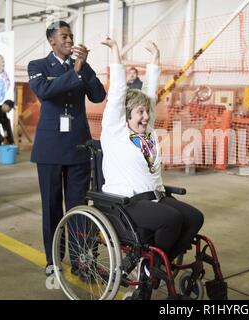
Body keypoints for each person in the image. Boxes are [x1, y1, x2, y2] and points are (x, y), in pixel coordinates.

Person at [100, 37, 203, 268]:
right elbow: (117, 93)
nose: (145, 116)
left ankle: (155, 264)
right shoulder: (115, 131)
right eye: (139, 112)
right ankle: (153, 267)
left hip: (156, 197)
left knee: (195, 218)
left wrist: (155, 61)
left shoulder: (147, 133)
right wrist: (116, 53)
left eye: (147, 112)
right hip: (128, 202)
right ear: (126, 115)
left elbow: (149, 96)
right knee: (172, 220)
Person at [27, 21, 106, 276]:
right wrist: (76, 70)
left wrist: (85, 68)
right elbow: (45, 91)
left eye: (71, 35)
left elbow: (97, 96)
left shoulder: (81, 66)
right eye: (64, 36)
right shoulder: (37, 66)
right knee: (51, 205)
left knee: (79, 206)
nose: (70, 40)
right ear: (52, 41)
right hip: (49, 149)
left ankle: (81, 259)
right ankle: (53, 259)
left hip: (78, 147)